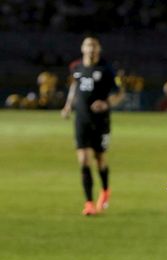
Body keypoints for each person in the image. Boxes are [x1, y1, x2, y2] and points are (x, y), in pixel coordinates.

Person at [61, 36, 125, 216]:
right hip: (81, 119)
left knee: (100, 159)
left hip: (101, 121)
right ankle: (89, 203)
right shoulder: (76, 67)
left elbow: (119, 93)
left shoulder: (107, 69)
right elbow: (74, 86)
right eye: (87, 45)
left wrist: (106, 103)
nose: (90, 49)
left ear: (99, 49)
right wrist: (68, 106)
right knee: (83, 160)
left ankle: (105, 191)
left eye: (94, 46)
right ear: (82, 48)